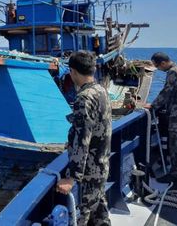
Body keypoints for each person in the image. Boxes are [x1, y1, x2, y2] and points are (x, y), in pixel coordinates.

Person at [56, 51, 112, 226]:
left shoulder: (84, 98)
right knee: (100, 213)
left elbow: (83, 139)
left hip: (89, 172)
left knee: (83, 217)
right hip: (102, 165)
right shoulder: (101, 90)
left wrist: (71, 178)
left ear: (73, 71)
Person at [144, 52, 177, 183]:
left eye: (158, 67)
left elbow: (166, 91)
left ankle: (176, 174)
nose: (159, 69)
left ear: (163, 63)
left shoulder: (172, 72)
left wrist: (153, 105)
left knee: (175, 144)